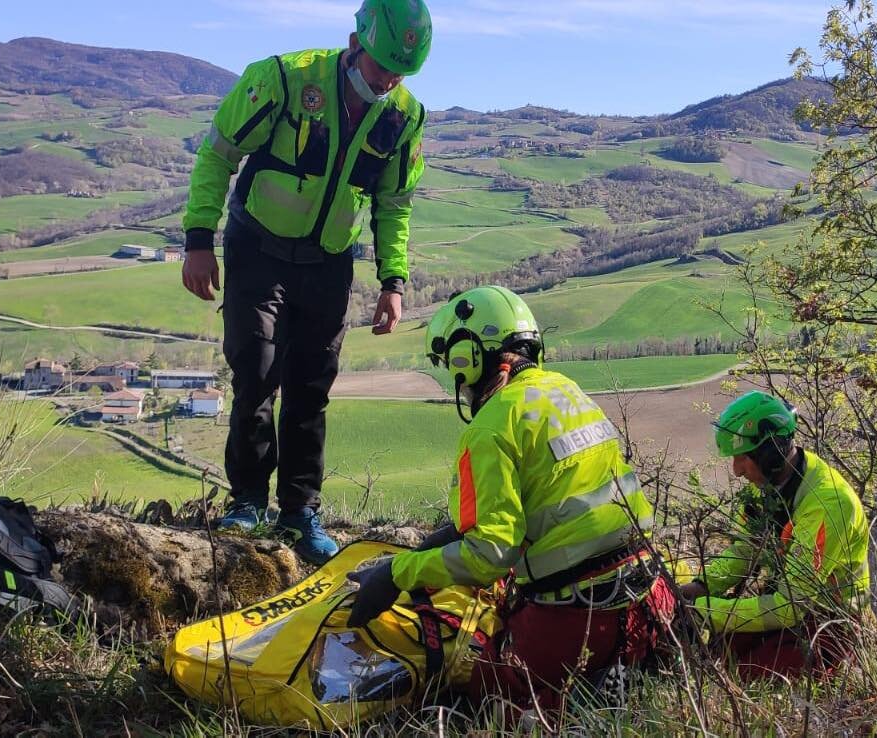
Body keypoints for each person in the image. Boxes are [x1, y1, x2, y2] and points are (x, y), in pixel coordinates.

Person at [179, 0, 431, 565]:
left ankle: (299, 512)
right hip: (258, 248)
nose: (389, 81)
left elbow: (394, 203)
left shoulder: (404, 117)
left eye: (401, 73)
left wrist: (393, 280)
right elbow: (217, 155)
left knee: (310, 388)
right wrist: (198, 240)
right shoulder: (284, 79)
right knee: (257, 371)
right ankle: (248, 501)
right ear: (355, 44)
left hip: (328, 262)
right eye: (383, 67)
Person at [344, 285, 676, 708]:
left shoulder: (491, 427)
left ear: (467, 358)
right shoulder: (567, 391)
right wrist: (426, 549)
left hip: (576, 619)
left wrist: (396, 574)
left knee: (485, 695)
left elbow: (489, 557)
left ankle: (576, 697)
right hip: (651, 599)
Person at [675, 390, 871, 680]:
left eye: (742, 458)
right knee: (723, 649)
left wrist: (707, 611)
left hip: (830, 619)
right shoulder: (770, 484)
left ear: (770, 454)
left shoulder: (827, 504)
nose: (736, 471)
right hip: (788, 604)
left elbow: (792, 605)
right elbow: (745, 549)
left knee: (751, 671)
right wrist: (702, 586)